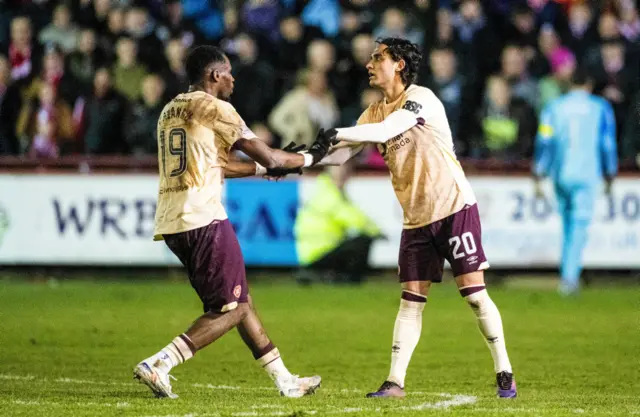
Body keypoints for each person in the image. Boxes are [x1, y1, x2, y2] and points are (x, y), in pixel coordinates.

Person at [313, 37, 517, 399]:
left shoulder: (422, 98)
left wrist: (337, 131)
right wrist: (299, 162)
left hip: (454, 208)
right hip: (416, 219)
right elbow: (343, 156)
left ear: (400, 65)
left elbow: (384, 132)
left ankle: (504, 370)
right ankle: (395, 383)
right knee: (411, 301)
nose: (370, 64)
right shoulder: (373, 111)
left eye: (378, 57)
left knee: (473, 294)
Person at [133, 45, 331, 399]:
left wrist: (261, 170)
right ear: (213, 76)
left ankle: (286, 381)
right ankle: (159, 363)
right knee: (233, 308)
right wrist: (310, 157)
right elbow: (269, 153)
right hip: (203, 216)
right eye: (227, 72)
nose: (232, 78)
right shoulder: (215, 107)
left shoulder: (170, 109)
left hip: (173, 219)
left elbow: (217, 165)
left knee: (240, 301)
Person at [533, 68, 618, 295]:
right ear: (589, 84)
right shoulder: (601, 107)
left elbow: (545, 139)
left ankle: (567, 274)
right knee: (579, 225)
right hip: (587, 173)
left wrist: (540, 171)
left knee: (567, 224)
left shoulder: (554, 107)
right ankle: (569, 279)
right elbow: (607, 142)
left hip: (561, 173)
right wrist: (610, 171)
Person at [294, 162, 383, 285]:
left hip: (316, 251)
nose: (343, 176)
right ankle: (350, 277)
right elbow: (354, 219)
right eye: (340, 172)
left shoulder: (325, 190)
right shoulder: (329, 195)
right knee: (363, 240)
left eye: (345, 172)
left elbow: (354, 215)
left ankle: (331, 275)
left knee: (355, 241)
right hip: (319, 252)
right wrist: (377, 232)